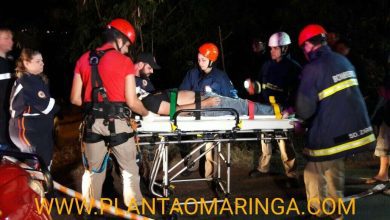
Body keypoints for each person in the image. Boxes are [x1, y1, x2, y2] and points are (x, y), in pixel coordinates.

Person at [70, 18, 155, 209]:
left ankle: (90, 210)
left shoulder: (84, 59)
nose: (127, 50)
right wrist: (146, 112)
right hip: (118, 123)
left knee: (93, 171)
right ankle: (134, 209)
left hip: (92, 123)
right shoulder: (125, 62)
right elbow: (132, 102)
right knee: (129, 170)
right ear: (120, 40)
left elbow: (75, 98)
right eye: (127, 45)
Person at [296, 24, 376, 218]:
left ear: (308, 44)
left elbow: (305, 109)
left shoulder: (312, 68)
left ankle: (318, 211)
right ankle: (337, 210)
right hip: (355, 131)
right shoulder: (343, 61)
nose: (303, 52)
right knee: (334, 167)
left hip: (330, 132)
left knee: (312, 171)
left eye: (303, 48)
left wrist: (298, 120)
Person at [246, 32, 301, 183]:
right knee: (265, 138)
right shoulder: (266, 65)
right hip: (265, 107)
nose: (272, 51)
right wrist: (254, 88)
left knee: (283, 140)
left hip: (282, 109)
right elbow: (261, 85)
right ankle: (263, 167)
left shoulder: (293, 68)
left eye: (275, 48)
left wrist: (290, 109)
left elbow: (298, 92)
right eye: (271, 49)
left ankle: (292, 173)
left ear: (285, 48)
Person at [179, 42, 238, 178]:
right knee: (192, 141)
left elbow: (231, 96)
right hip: (194, 114)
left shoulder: (220, 77)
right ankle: (192, 165)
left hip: (213, 117)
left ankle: (210, 175)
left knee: (210, 143)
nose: (200, 63)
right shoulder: (192, 74)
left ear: (212, 60)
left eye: (203, 60)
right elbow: (183, 93)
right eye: (199, 60)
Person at [8, 48, 58, 168]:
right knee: (37, 167)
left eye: (42, 60)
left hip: (37, 131)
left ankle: (42, 184)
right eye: (38, 61)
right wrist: (56, 107)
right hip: (28, 131)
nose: (42, 63)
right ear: (26, 63)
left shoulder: (36, 79)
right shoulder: (28, 81)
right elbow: (47, 107)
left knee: (43, 163)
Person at [367, 73, 390, 184]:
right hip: (387, 113)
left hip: (387, 111)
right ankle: (383, 174)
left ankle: (383, 174)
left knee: (384, 141)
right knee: (384, 142)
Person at [0, 27, 14, 150]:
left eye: (11, 38)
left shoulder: (10, 62)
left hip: (10, 126)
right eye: (6, 38)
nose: (11, 41)